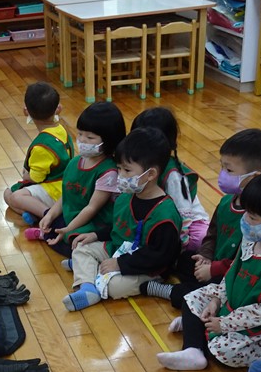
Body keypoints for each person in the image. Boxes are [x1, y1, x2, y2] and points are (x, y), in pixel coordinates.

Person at [158, 168, 261, 370]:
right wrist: (216, 300)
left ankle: (198, 329)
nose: (244, 220)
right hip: (232, 306)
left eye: (252, 217)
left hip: (259, 327)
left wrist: (224, 324)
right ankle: (194, 348)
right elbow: (231, 275)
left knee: (226, 351)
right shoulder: (253, 238)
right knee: (191, 297)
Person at [142, 128, 261, 307]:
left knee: (209, 292)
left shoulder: (259, 218)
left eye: (229, 170)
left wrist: (212, 269)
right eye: (222, 167)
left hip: (234, 274)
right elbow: (212, 234)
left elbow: (245, 262)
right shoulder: (226, 202)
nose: (222, 174)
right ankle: (192, 285)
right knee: (185, 258)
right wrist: (205, 256)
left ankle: (173, 292)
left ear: (255, 177)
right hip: (213, 264)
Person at [62, 127, 182, 311]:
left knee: (115, 287)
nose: (121, 176)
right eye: (119, 169)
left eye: (127, 170)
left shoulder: (164, 215)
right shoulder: (126, 197)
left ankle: (89, 270)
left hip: (146, 267)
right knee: (81, 248)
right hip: (118, 250)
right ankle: (88, 288)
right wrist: (95, 235)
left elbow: (159, 256)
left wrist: (120, 264)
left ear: (150, 174)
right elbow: (116, 225)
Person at [29, 101, 126, 256]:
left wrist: (68, 229)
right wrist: (50, 214)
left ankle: (55, 238)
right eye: (80, 134)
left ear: (109, 140)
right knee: (53, 224)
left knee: (76, 242)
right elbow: (66, 195)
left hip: (94, 222)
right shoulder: (76, 162)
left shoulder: (109, 172)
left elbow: (92, 208)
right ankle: (50, 233)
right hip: (73, 215)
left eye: (90, 137)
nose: (82, 140)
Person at [130, 107, 209, 252]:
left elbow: (183, 215)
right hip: (161, 215)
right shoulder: (138, 164)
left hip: (189, 223)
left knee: (200, 240)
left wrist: (179, 247)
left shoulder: (173, 176)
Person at [3, 81, 75, 224]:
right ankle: (36, 212)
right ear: (58, 109)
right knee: (14, 193)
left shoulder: (41, 147)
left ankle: (47, 214)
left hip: (54, 190)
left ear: (26, 111)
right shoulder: (61, 129)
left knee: (10, 195)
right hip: (65, 184)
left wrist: (26, 174)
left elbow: (36, 178)